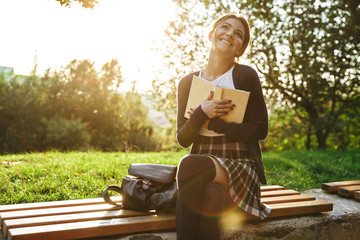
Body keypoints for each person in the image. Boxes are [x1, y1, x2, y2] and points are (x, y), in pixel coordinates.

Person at [175, 13, 271, 240]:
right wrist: (201, 113)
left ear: (240, 49)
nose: (230, 34)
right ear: (211, 34)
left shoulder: (245, 75)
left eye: (238, 34)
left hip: (240, 165)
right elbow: (182, 139)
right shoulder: (187, 82)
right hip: (202, 170)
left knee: (190, 165)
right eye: (225, 27)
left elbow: (260, 129)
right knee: (211, 193)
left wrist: (217, 124)